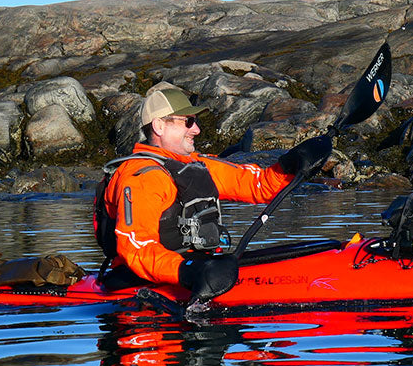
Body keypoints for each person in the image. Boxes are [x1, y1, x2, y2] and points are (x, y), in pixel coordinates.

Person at [93, 83, 332, 294]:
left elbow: (257, 185)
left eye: (195, 122)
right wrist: (187, 271)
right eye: (188, 122)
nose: (196, 129)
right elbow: (137, 248)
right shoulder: (142, 178)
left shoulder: (197, 165)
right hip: (144, 281)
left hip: (197, 269)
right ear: (159, 126)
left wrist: (291, 163)